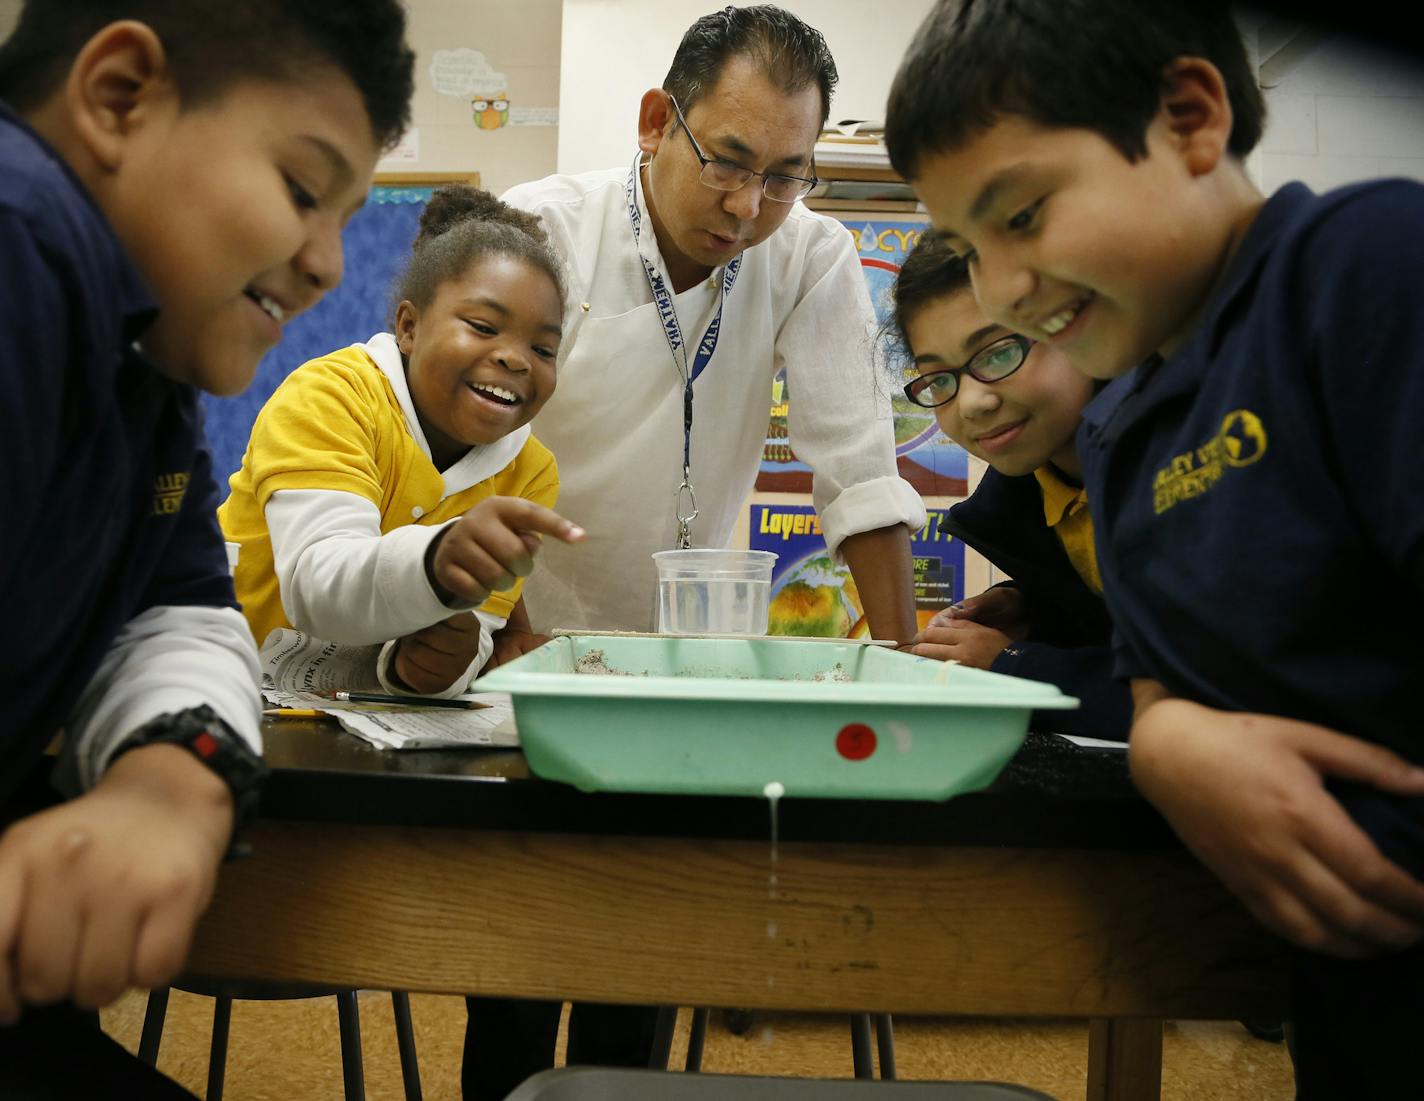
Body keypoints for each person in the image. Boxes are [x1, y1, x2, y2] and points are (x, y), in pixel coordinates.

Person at [885, 1, 1424, 1095]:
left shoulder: (1360, 268)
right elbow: (1156, 681)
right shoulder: (1123, 434)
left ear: (1188, 117)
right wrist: (1173, 740)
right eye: (971, 248)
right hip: (1358, 1002)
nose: (1002, 288)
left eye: (1022, 217)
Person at [0, 1, 413, 1096]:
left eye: (348, 215)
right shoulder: (21, 237)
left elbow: (182, 605)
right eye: (300, 189)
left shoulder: (152, 370)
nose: (328, 264)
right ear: (119, 96)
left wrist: (175, 775)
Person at [498, 4, 926, 655]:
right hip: (525, 627)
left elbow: (861, 472)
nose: (748, 206)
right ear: (656, 123)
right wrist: (511, 634)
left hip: (695, 650)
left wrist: (909, 671)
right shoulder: (540, 230)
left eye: (785, 176)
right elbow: (467, 454)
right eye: (727, 162)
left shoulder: (810, 256)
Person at [219, 186, 583, 696]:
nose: (516, 359)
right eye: (483, 326)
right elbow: (318, 586)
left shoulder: (530, 471)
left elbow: (474, 632)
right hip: (229, 688)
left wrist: (443, 665)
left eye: (543, 348)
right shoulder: (331, 397)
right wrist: (435, 563)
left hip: (363, 726)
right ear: (409, 327)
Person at [891, 234, 1130, 740]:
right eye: (939, 380)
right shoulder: (1037, 495)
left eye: (997, 354)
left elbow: (1208, 696)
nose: (973, 403)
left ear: (1078, 325)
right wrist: (1036, 610)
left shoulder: (1176, 474)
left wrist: (1012, 667)